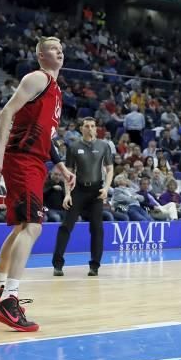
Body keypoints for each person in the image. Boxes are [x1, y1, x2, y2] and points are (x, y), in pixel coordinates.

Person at [0, 37, 75, 332]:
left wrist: (58, 164)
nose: (59, 50)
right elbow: (6, 112)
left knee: (23, 227)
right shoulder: (38, 78)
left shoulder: (56, 91)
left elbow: (47, 135)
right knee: (33, 225)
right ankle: (10, 299)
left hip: (34, 160)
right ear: (40, 55)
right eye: (52, 48)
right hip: (20, 157)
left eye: (61, 47)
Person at [52, 117, 114, 277]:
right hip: (78, 190)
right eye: (87, 126)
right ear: (81, 128)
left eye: (93, 126)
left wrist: (106, 189)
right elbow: (69, 173)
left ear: (96, 128)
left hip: (96, 192)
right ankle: (57, 265)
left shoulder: (104, 146)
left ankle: (94, 266)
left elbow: (110, 170)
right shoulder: (74, 146)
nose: (90, 128)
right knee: (66, 226)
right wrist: (67, 194)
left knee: (97, 229)